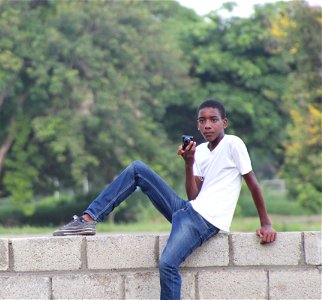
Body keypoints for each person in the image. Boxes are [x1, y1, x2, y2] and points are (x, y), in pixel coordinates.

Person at [53, 99, 277, 300]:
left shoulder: (233, 144)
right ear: (197, 125)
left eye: (213, 120)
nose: (207, 125)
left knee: (168, 264)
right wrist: (189, 164)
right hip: (188, 210)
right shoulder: (198, 151)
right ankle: (88, 219)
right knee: (137, 169)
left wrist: (266, 223)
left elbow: (252, 183)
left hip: (204, 220)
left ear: (224, 123)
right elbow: (193, 196)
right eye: (202, 121)